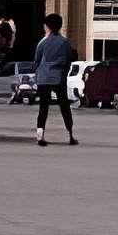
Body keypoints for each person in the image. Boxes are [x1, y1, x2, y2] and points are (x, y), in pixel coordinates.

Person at [30, 14, 78, 147]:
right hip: (58, 77)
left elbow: (36, 61)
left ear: (47, 26)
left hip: (43, 78)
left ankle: (40, 136)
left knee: (43, 108)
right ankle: (70, 135)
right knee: (64, 106)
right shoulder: (64, 42)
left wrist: (38, 73)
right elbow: (69, 58)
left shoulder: (43, 42)